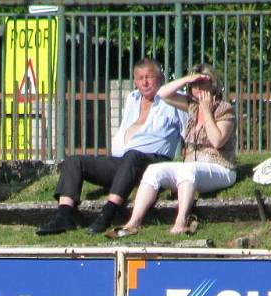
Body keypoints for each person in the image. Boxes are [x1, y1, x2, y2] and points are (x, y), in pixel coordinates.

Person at [36, 58, 187, 236]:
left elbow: (188, 134)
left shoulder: (175, 101)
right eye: (140, 78)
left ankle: (107, 214)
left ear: (160, 77)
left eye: (149, 77)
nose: (144, 82)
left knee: (133, 155)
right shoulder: (133, 98)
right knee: (74, 161)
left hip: (152, 163)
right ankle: (64, 215)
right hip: (122, 162)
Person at [108, 63, 236, 237]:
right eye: (194, 86)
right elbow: (161, 94)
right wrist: (187, 79)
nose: (197, 89)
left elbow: (217, 140)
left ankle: (181, 221)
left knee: (187, 169)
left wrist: (206, 112)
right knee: (153, 170)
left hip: (220, 167)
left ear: (212, 86)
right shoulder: (191, 106)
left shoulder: (224, 109)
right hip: (193, 167)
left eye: (202, 84)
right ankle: (134, 222)